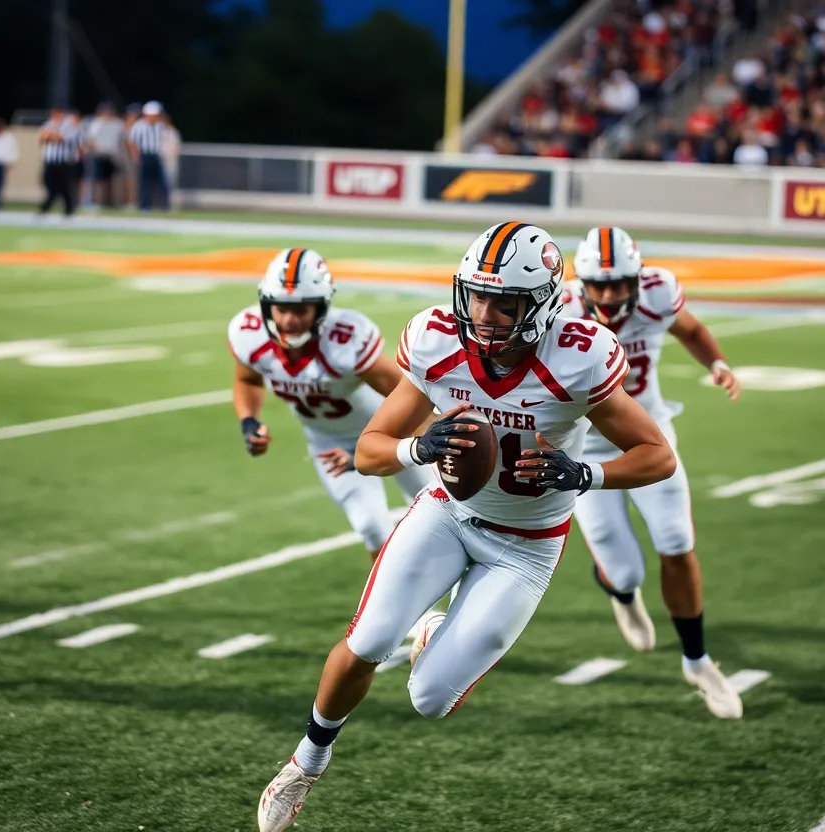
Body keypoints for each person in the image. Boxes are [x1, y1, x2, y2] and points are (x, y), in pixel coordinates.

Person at [256, 221, 676, 832]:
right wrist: (418, 449)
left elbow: (657, 454)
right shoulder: (436, 339)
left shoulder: (579, 354)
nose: (484, 312)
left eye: (503, 302)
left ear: (540, 303)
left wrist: (582, 473)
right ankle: (305, 764)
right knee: (369, 639)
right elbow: (371, 448)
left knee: (430, 701)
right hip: (446, 514)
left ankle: (435, 632)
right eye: (477, 295)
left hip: (526, 549)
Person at [561, 226, 743, 719]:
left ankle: (698, 661)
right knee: (624, 570)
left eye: (619, 284)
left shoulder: (659, 294)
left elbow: (692, 330)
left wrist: (718, 362)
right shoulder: (558, 312)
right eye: (598, 285)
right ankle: (621, 593)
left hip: (650, 436)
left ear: (637, 281)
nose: (608, 295)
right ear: (582, 284)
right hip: (584, 450)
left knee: (677, 541)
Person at [228, 248, 433, 562]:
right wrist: (248, 421)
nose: (289, 320)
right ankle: (416, 613)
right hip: (328, 441)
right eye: (280, 308)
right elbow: (247, 381)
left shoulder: (345, 341)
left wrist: (412, 442)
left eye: (301, 310)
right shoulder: (251, 336)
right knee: (371, 527)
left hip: (390, 430)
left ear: (321, 308)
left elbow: (407, 395)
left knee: (435, 513)